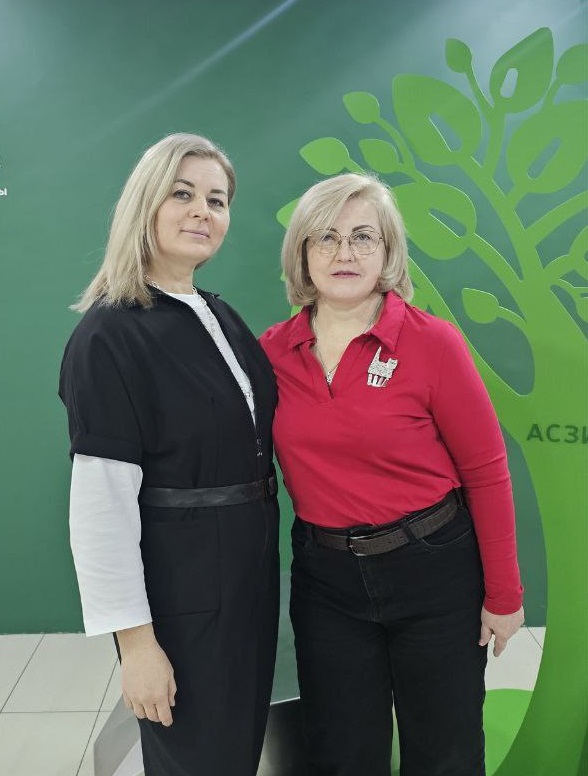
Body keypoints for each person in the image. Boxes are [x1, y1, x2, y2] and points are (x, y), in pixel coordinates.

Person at [259, 172, 524, 776]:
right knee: (342, 752)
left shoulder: (433, 343)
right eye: (326, 237)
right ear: (302, 252)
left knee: (446, 751)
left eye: (363, 236)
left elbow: (486, 473)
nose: (345, 253)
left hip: (434, 570)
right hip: (327, 581)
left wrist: (505, 595)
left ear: (387, 251)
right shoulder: (271, 353)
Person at [59, 133, 280, 776]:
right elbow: (99, 508)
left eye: (216, 199)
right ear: (145, 204)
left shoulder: (216, 314)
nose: (202, 211)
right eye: (182, 194)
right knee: (196, 756)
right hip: (182, 589)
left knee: (236, 746)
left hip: (247, 577)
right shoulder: (108, 334)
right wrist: (136, 645)